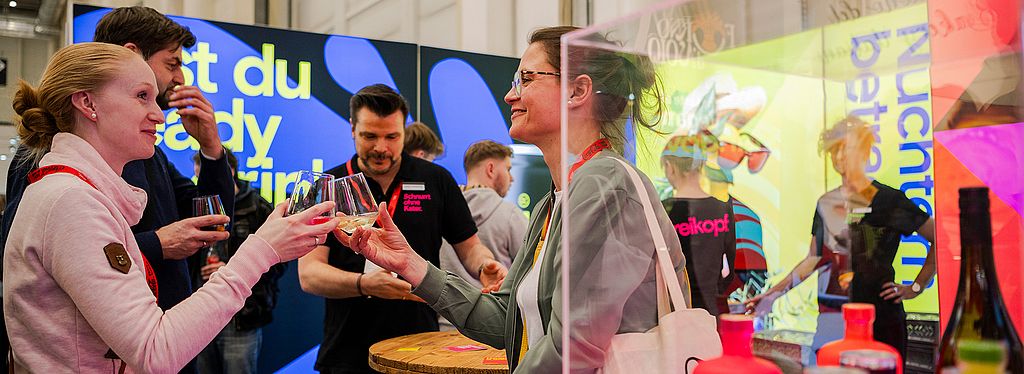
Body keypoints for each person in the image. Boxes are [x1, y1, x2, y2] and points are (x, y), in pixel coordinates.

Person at [335, 26, 690, 372]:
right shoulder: (552, 202)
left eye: (527, 79)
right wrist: (410, 263)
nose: (510, 95)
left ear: (578, 91)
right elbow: (506, 322)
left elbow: (575, 348)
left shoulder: (605, 184)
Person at [3, 42, 339, 373]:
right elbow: (154, 352)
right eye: (141, 96)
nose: (159, 115)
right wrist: (262, 250)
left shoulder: (75, 192)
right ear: (87, 103)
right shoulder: (71, 201)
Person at [2, 6, 235, 313]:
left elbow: (208, 216)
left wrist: (211, 147)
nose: (180, 79)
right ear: (133, 55)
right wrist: (156, 245)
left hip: (161, 331)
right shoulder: (43, 155)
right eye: (172, 63)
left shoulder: (149, 154)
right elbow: (27, 256)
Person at [297, 84, 507, 373]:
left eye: (392, 137)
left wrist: (485, 266)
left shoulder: (436, 180)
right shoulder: (326, 185)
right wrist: (363, 284)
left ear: (404, 132)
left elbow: (470, 248)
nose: (381, 148)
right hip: (346, 352)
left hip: (422, 350)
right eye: (369, 136)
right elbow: (309, 275)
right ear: (352, 129)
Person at [746, 116, 937, 356]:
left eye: (848, 148)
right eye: (835, 150)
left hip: (880, 320)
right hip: (833, 319)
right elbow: (813, 259)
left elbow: (938, 238)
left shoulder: (890, 200)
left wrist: (916, 286)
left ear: (865, 150)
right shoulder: (826, 203)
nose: (840, 157)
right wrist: (772, 295)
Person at [191, 149, 283, 374]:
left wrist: (234, 271)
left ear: (229, 171)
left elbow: (279, 262)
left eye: (205, 177)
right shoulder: (193, 206)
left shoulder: (258, 207)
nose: (201, 184)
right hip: (198, 315)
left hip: (241, 316)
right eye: (198, 178)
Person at [661, 133, 736, 316]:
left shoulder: (664, 210)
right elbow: (732, 269)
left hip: (676, 313)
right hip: (712, 311)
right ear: (701, 166)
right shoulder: (723, 208)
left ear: (670, 168)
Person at [439, 140, 527, 288]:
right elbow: (531, 269)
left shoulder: (440, 212)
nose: (512, 178)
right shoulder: (511, 215)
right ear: (491, 169)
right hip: (494, 308)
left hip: (443, 308)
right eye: (508, 169)